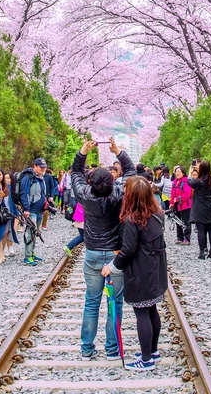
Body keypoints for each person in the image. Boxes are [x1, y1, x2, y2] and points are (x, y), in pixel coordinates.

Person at [72, 137, 136, 361]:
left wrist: (82, 152)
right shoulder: (119, 193)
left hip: (92, 253)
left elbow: (76, 174)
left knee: (91, 301)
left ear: (92, 183)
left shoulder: (85, 196)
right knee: (115, 302)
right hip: (115, 255)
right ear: (111, 182)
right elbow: (130, 171)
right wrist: (118, 151)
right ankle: (112, 349)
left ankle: (86, 349)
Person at [102, 176, 167, 371]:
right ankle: (153, 350)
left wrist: (111, 267)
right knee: (152, 309)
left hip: (141, 272)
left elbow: (128, 250)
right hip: (157, 270)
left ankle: (146, 360)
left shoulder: (132, 220)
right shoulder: (157, 214)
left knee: (142, 314)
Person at [19, 158, 47, 266]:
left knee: (36, 232)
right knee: (30, 233)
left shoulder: (40, 178)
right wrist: (26, 208)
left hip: (39, 211)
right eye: (41, 167)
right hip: (31, 211)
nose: (43, 169)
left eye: (44, 167)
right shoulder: (28, 177)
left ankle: (32, 253)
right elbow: (23, 193)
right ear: (35, 166)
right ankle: (27, 257)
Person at [0, 168, 19, 264]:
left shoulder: (8, 187)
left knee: (5, 233)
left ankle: (2, 253)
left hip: (8, 214)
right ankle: (0, 256)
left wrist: (16, 213)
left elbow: (12, 201)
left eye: (0, 175)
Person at [188, 161, 211, 259]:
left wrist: (190, 172)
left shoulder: (198, 181)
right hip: (210, 206)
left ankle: (202, 252)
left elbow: (189, 182)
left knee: (201, 230)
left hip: (200, 208)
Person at [170, 165, 192, 244]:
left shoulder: (186, 182)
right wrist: (171, 203)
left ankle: (187, 238)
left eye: (179, 172)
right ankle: (180, 237)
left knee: (186, 221)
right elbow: (172, 194)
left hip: (185, 205)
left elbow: (187, 194)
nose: (177, 173)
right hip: (177, 205)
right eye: (176, 172)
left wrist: (178, 198)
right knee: (177, 221)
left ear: (183, 173)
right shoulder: (174, 182)